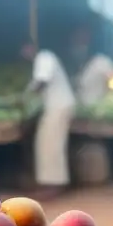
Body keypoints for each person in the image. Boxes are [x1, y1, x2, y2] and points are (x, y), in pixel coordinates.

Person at [21, 41, 76, 197]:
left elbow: (42, 81)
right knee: (46, 144)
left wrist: (27, 96)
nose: (24, 54)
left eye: (25, 50)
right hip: (55, 106)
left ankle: (54, 185)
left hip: (59, 106)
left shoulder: (44, 57)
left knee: (51, 145)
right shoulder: (41, 60)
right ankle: (49, 183)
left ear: (31, 47)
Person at [73, 25, 113, 107]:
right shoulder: (80, 66)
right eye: (78, 39)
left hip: (97, 115)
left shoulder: (103, 63)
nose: (80, 44)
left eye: (84, 40)